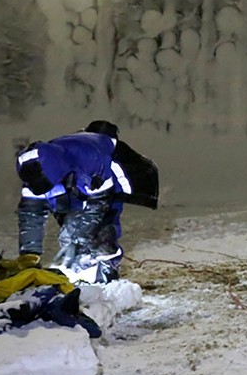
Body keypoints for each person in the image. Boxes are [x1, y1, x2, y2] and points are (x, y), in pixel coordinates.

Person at [14, 120, 159, 283]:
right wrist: (29, 253)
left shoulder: (91, 160)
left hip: (108, 175)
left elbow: (99, 207)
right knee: (70, 223)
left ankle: (106, 266)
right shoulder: (34, 175)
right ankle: (78, 263)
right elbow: (31, 216)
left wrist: (79, 237)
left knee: (103, 225)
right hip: (74, 178)